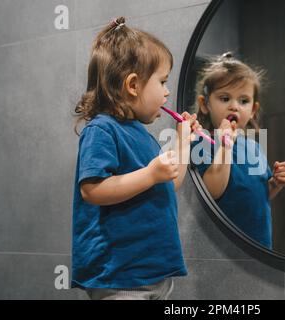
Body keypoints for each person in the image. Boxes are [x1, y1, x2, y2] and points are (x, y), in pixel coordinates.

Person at [71, 17, 200, 300]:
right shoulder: (101, 130)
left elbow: (169, 183)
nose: (167, 91)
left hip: (152, 273)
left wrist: (183, 141)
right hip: (119, 276)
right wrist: (150, 174)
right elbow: (92, 190)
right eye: (163, 81)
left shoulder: (141, 135)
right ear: (132, 85)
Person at [191, 52, 285, 249]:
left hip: (260, 246)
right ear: (205, 105)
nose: (234, 107)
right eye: (225, 98)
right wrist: (224, 146)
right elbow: (212, 191)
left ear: (253, 110)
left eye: (243, 101)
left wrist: (276, 183)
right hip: (224, 250)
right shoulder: (201, 142)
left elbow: (258, 192)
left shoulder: (253, 146)